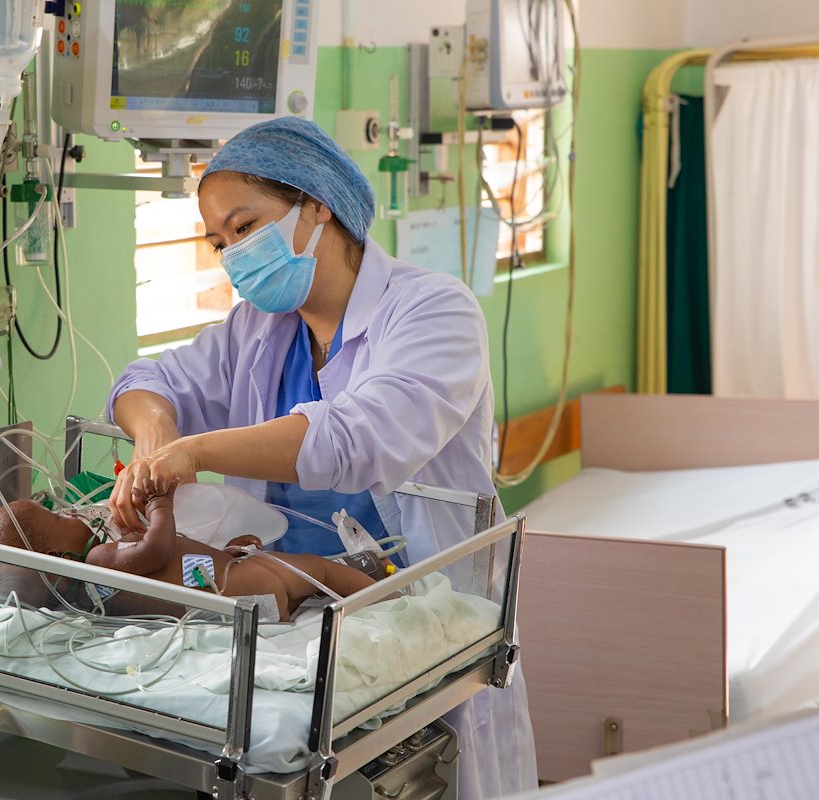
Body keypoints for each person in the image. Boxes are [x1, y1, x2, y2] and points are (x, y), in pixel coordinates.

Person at [106, 117, 537, 796]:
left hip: (417, 612)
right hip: (288, 624)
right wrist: (156, 438)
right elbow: (144, 382)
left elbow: (355, 438)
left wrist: (195, 451)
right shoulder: (258, 330)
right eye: (219, 241)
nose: (231, 254)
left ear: (316, 205)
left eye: (245, 228)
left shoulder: (435, 313)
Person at [0, 480, 375, 621]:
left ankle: (362, 581)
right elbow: (159, 551)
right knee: (320, 571)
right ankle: (388, 599)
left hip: (244, 599)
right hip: (243, 587)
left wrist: (228, 553)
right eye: (60, 519)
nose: (74, 515)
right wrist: (160, 505)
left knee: (306, 585)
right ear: (54, 557)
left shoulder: (89, 598)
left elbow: (186, 568)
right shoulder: (98, 563)